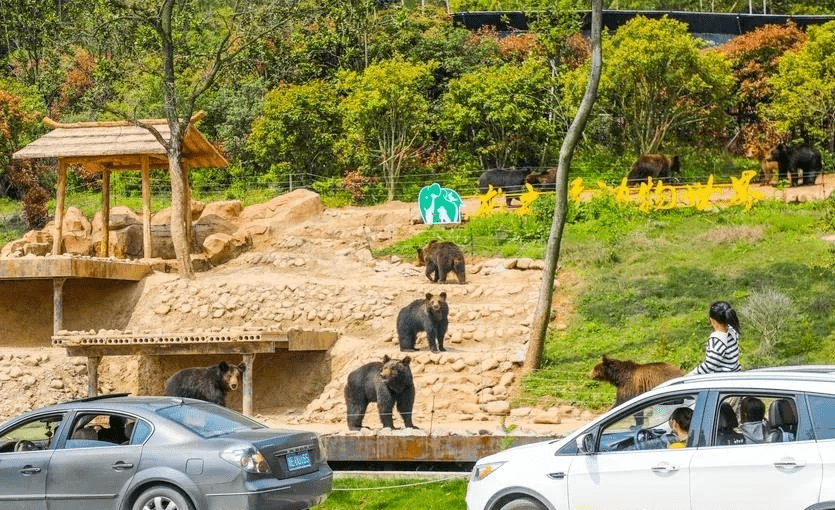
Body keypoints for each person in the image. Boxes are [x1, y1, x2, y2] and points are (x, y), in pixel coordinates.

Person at [690, 301, 741, 375]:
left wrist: (690, 375)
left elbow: (709, 366)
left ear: (712, 320)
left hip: (722, 381)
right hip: (735, 374)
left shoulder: (717, 340)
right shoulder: (732, 331)